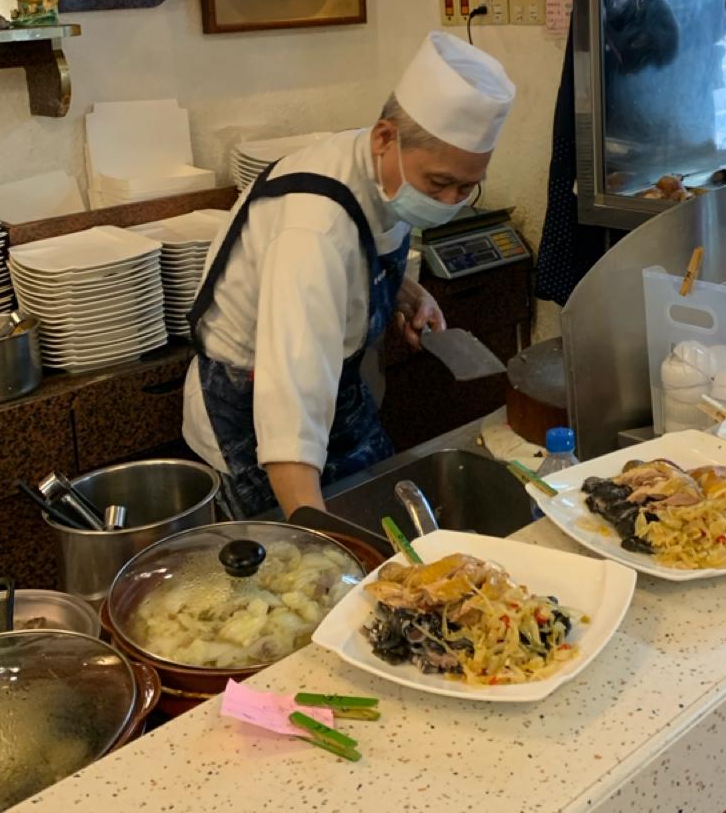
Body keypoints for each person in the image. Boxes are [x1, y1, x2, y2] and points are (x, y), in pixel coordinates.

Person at [182, 32, 516, 518]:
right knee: (304, 551)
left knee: (391, 514)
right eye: (440, 184)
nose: (449, 202)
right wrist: (318, 537)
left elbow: (362, 250)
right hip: (255, 411)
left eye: (467, 188)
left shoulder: (379, 167)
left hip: (338, 390)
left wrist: (404, 292)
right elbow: (290, 418)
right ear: (385, 138)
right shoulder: (311, 231)